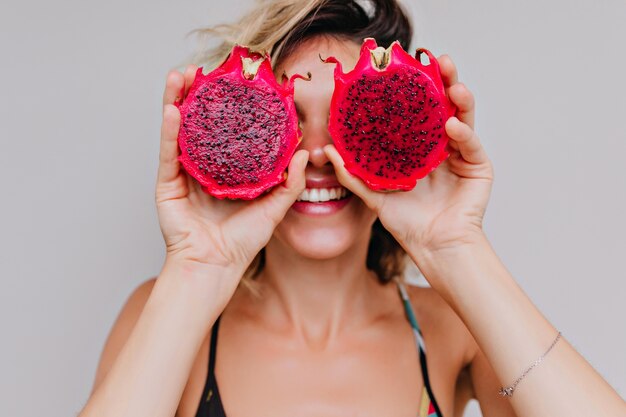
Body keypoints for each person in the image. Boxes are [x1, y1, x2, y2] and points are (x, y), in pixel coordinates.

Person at [78, 1, 625, 416]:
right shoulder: (171, 312)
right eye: (286, 121)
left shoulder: (449, 328)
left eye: (350, 116)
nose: (317, 156)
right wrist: (197, 269)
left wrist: (455, 247)